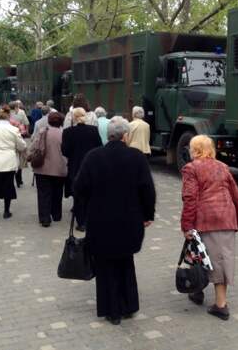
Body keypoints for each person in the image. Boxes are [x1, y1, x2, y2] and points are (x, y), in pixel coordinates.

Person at [73, 117, 156, 325]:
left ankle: (111, 310)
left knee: (104, 265)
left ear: (108, 135)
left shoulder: (93, 157)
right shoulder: (136, 157)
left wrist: (84, 213)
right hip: (129, 221)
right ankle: (128, 305)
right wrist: (148, 215)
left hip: (100, 221)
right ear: (125, 136)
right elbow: (147, 189)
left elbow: (79, 188)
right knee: (125, 262)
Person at [180, 135, 238, 320]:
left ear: (195, 150)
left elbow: (190, 198)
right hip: (226, 217)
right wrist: (237, 220)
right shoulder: (222, 166)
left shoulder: (191, 168)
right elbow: (237, 197)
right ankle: (201, 292)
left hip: (207, 219)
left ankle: (220, 305)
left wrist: (187, 226)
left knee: (203, 256)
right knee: (219, 258)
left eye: (192, 148)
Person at [61, 108, 102, 231]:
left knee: (78, 195)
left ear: (73, 117)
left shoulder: (68, 132)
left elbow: (65, 151)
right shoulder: (93, 131)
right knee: (89, 194)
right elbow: (99, 147)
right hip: (91, 167)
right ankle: (89, 219)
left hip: (75, 166)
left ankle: (81, 222)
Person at [31, 112, 67, 227]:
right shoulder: (64, 134)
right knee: (57, 192)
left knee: (43, 193)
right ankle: (56, 215)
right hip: (60, 167)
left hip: (42, 168)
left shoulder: (42, 132)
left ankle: (45, 218)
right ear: (61, 122)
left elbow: (34, 147)